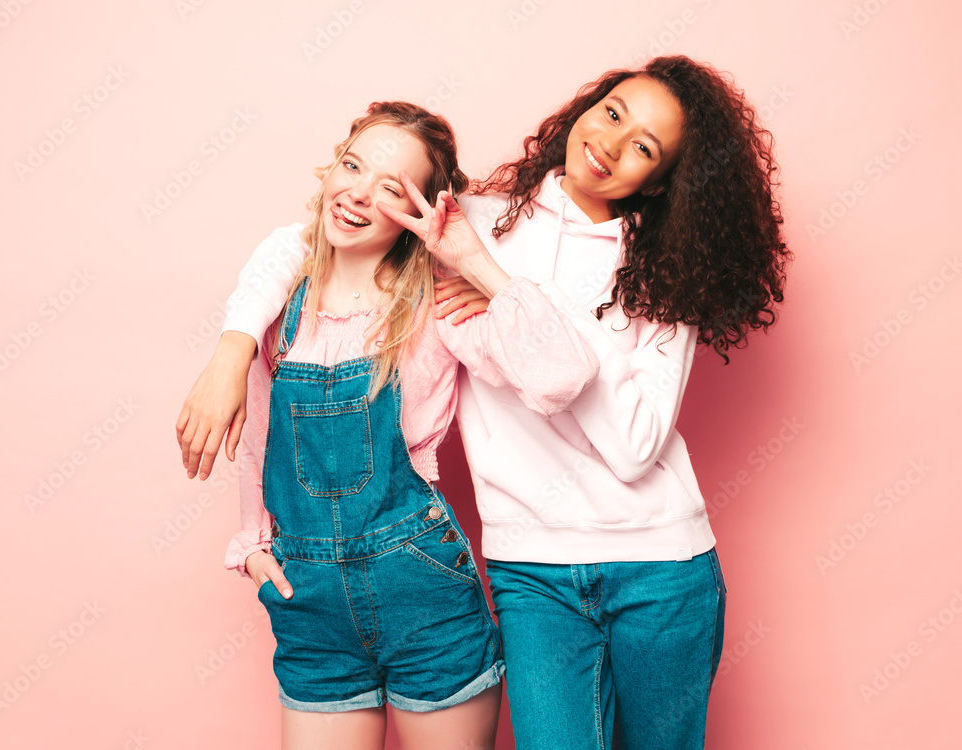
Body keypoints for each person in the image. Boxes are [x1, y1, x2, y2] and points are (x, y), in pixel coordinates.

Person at [178, 56, 790, 749]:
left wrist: (491, 277)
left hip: (660, 560)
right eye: (613, 112)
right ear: (587, 107)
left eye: (644, 147)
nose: (612, 143)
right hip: (530, 568)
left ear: (660, 179)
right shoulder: (476, 218)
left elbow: (627, 443)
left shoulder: (667, 272)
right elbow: (312, 237)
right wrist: (232, 351)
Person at [199, 101, 599, 750]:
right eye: (353, 166)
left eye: (391, 188)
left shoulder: (438, 303)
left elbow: (561, 378)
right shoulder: (279, 303)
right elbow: (258, 442)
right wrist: (253, 544)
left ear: (422, 210)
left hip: (423, 597)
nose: (358, 193)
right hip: (310, 606)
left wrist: (476, 264)